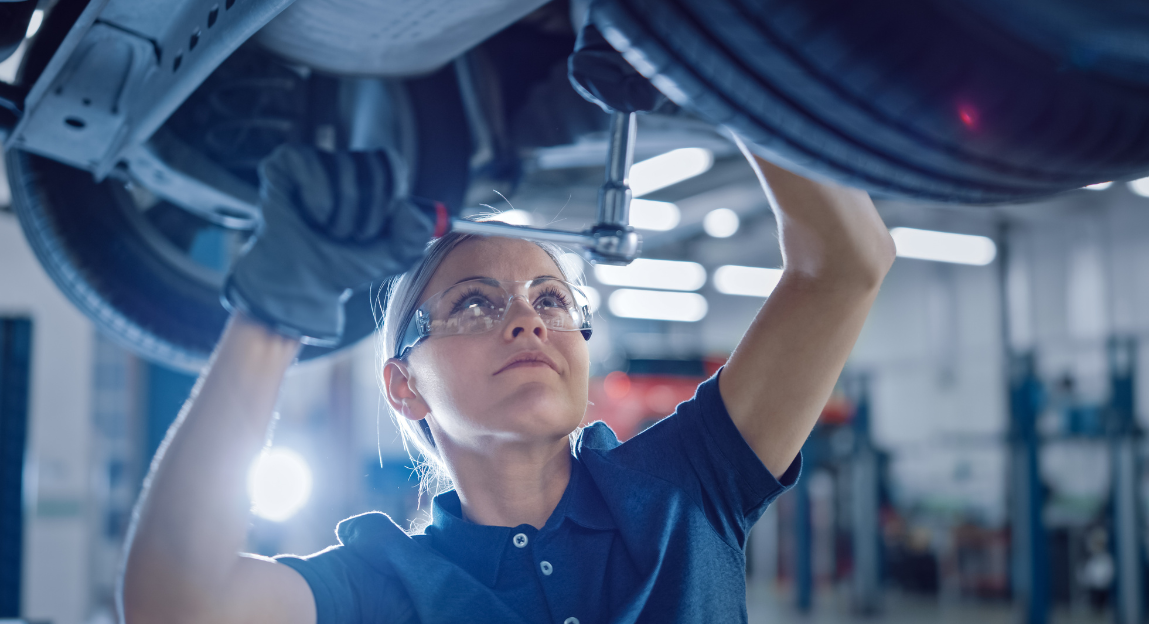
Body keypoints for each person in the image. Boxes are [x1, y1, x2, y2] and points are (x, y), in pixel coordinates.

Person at [118, 136, 895, 623]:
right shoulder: (381, 586)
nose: (527, 320)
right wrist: (272, 315)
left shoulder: (686, 489)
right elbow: (175, 606)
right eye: (474, 303)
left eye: (550, 298)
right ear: (404, 386)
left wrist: (719, 59)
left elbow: (847, 263)